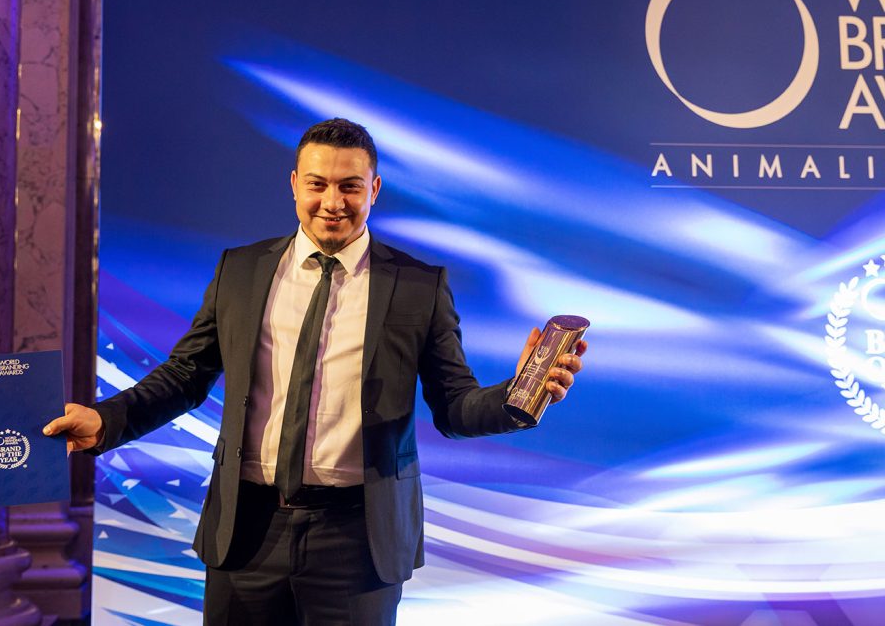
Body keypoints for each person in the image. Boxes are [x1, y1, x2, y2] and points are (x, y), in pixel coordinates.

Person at [44, 118, 587, 625]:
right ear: (294, 185)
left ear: (374, 190)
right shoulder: (241, 270)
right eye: (317, 184)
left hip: (358, 540)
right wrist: (106, 420)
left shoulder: (419, 286)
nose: (332, 202)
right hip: (246, 530)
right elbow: (186, 374)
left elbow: (454, 406)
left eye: (350, 186)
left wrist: (518, 395)